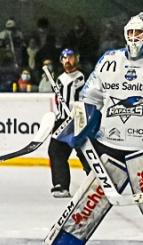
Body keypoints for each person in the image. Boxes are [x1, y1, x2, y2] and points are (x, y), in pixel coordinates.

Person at [47, 12, 143, 245]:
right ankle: (66, 241)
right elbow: (90, 99)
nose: (134, 37)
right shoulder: (110, 60)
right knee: (93, 195)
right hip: (111, 143)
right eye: (130, 32)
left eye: (139, 33)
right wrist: (75, 128)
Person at [47, 49, 89, 198]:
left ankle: (96, 180)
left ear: (76, 59)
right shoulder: (59, 79)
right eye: (64, 58)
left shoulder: (83, 78)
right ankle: (60, 185)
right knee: (56, 150)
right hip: (62, 121)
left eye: (70, 57)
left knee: (85, 151)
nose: (67, 61)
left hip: (79, 119)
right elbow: (57, 102)